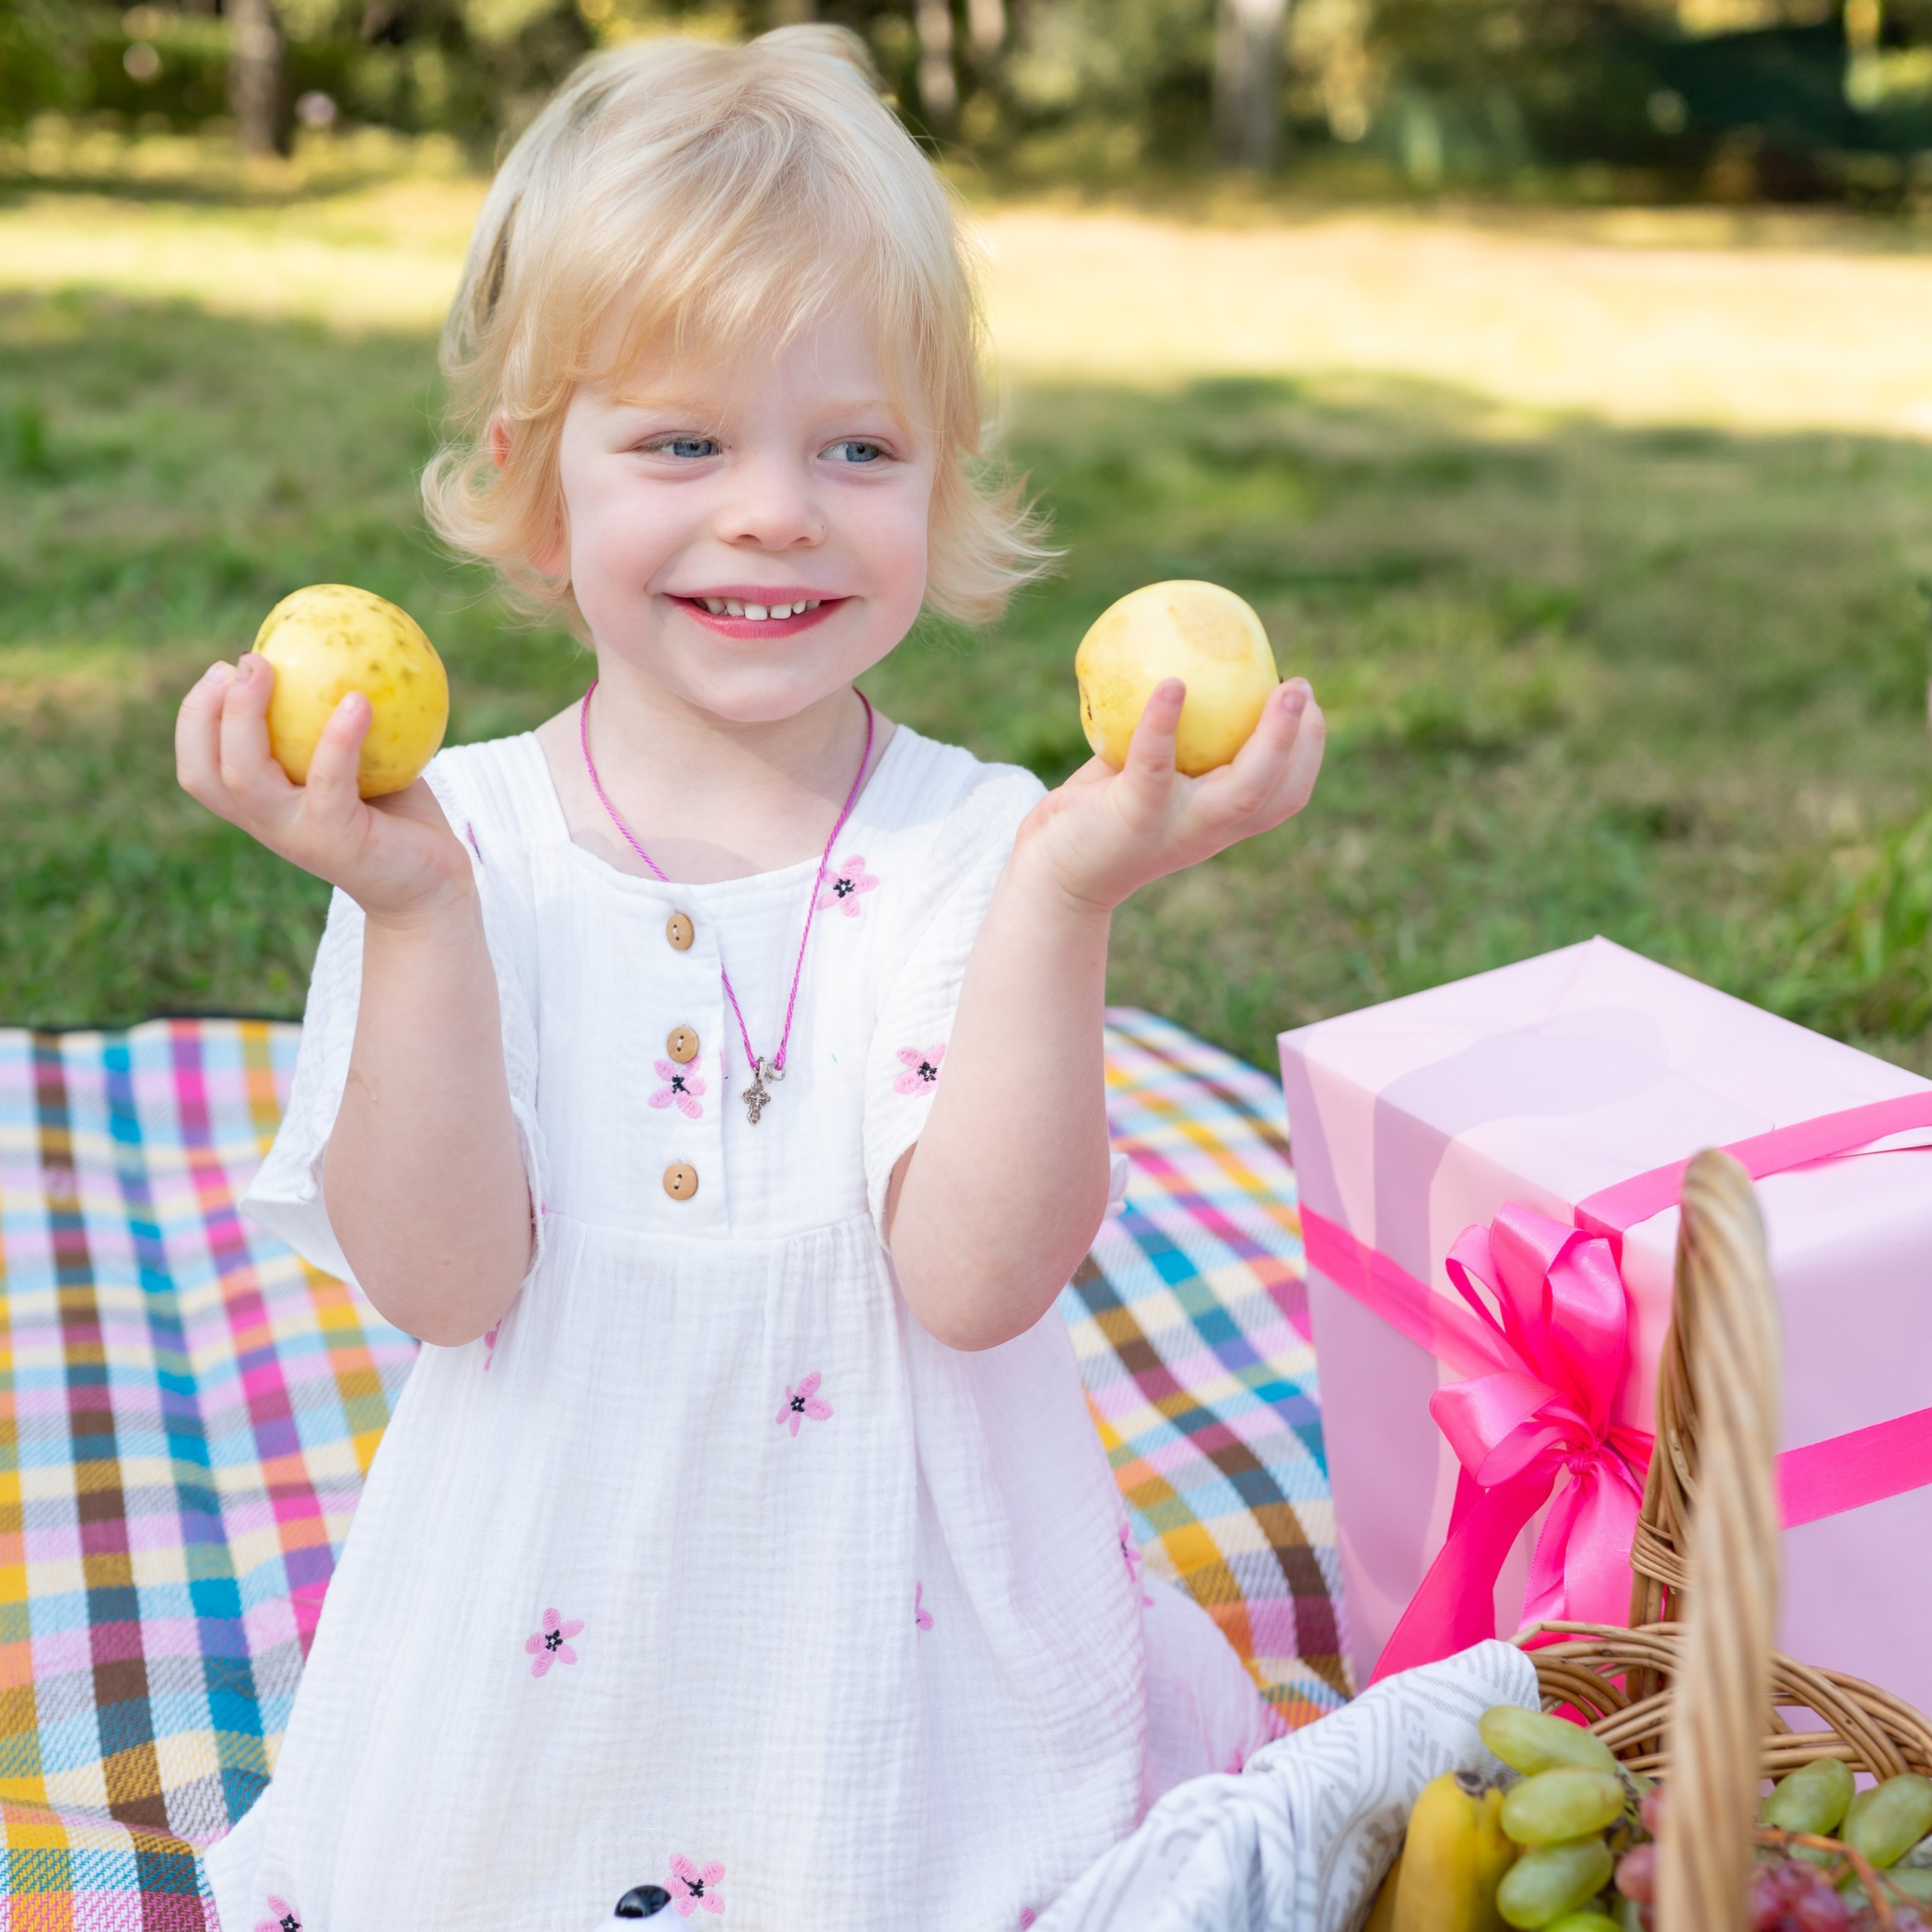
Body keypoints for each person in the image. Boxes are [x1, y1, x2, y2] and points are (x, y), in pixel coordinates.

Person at [175, 27, 1324, 1931]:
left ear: (941, 482)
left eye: (854, 446)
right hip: (549, 1629)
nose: (775, 508)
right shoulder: (451, 844)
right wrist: (413, 919)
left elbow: (976, 1281)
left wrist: (1063, 904)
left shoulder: (980, 842)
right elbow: (443, 1280)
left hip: (900, 1640)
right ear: (539, 490)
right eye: (682, 441)